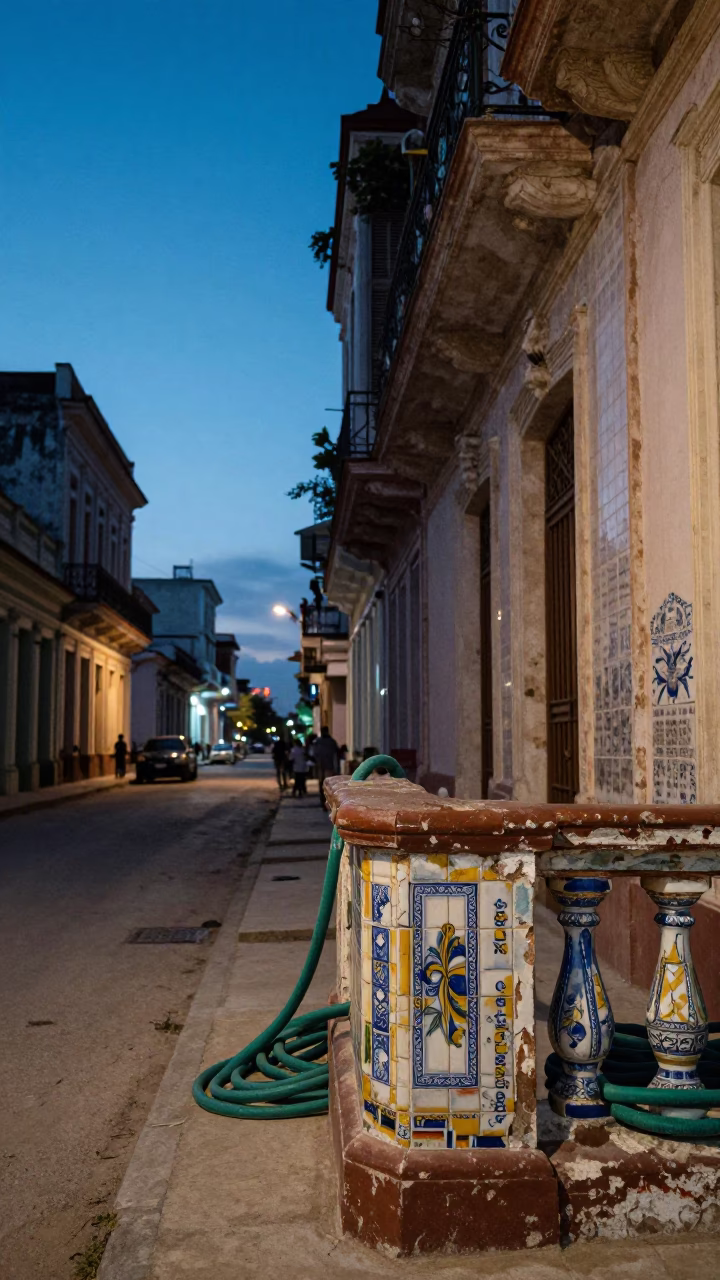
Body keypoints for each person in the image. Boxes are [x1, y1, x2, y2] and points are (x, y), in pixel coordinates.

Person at [312, 725, 340, 807]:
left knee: (324, 785)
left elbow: (315, 754)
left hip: (323, 766)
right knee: (327, 785)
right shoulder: (331, 741)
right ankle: (325, 802)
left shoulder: (319, 742)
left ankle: (324, 801)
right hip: (326, 766)